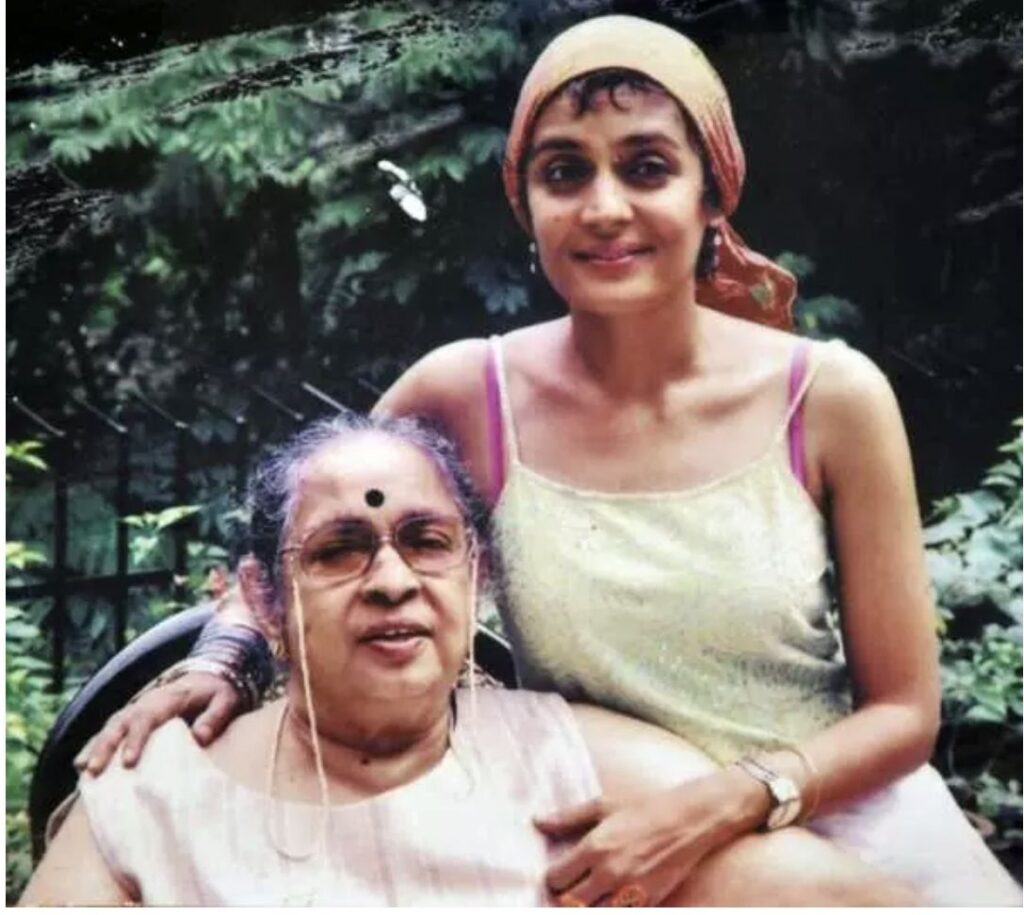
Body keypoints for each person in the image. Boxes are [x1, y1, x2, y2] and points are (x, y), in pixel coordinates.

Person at [74, 14, 1020, 906]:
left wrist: (719, 804)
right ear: (526, 207)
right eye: (565, 173)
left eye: (647, 167)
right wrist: (225, 659)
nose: (606, 208)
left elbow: (904, 711)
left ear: (712, 192)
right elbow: (315, 531)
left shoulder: (831, 399)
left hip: (829, 817)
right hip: (581, 826)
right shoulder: (465, 393)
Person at [21, 415, 918, 906]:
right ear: (262, 598)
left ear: (477, 574)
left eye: (426, 540)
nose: (391, 581)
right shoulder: (148, 795)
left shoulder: (588, 770)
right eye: (339, 548)